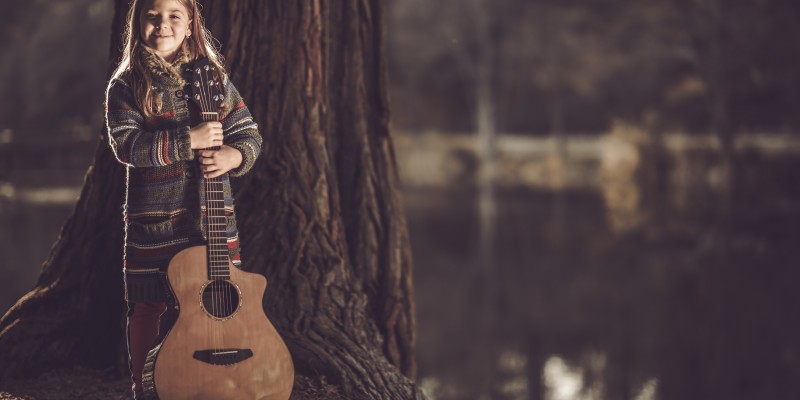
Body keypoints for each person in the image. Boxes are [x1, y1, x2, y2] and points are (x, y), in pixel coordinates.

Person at [103, 0, 262, 397]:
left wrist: (234, 155)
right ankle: (147, 388)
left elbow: (249, 133)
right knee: (148, 308)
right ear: (138, 22)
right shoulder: (126, 84)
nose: (163, 24)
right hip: (154, 225)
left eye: (174, 15)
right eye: (152, 16)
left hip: (211, 222)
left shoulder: (212, 77)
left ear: (191, 24)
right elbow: (128, 146)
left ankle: (207, 382)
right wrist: (188, 140)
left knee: (213, 304)